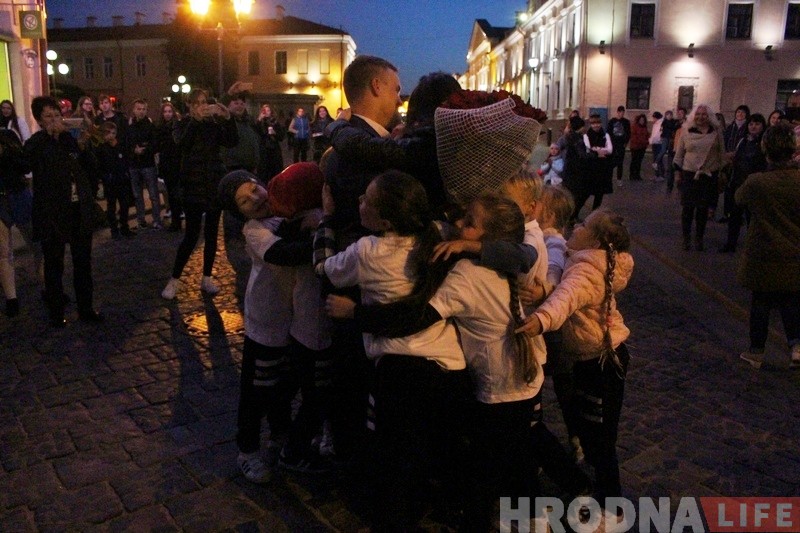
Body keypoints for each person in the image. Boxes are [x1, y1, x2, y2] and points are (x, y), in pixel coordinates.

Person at [326, 192, 546, 531]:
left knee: (485, 474)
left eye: (469, 224)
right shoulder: (499, 261)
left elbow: (416, 317)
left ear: (488, 239)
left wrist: (356, 312)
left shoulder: (467, 276)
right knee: (514, 458)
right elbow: (526, 253)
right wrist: (473, 245)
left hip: (499, 390)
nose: (458, 225)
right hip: (522, 381)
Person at [316, 170, 469, 530]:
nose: (359, 201)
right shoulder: (439, 234)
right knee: (436, 447)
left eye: (367, 199)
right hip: (449, 364)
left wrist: (325, 220)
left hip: (401, 370)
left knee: (396, 455)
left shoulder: (368, 250)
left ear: (384, 220)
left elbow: (324, 269)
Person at [517, 208, 634, 528]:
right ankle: (601, 494)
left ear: (594, 241)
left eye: (583, 225)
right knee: (590, 431)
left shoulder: (586, 272)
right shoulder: (588, 260)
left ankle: (613, 508)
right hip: (592, 360)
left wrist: (540, 319)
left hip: (602, 363)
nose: (576, 226)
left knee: (601, 440)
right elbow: (558, 256)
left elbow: (565, 298)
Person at [218, 165, 333, 483]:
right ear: (240, 214)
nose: (254, 199)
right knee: (257, 388)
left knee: (285, 383)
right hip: (266, 322)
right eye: (243, 201)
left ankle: (280, 435)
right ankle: (247, 450)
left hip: (294, 320)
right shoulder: (254, 231)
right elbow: (286, 254)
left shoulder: (292, 210)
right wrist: (324, 229)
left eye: (253, 189)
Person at [24, 96, 103, 327]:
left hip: (78, 210)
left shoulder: (70, 139)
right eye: (49, 116)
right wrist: (48, 137)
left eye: (57, 115)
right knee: (54, 264)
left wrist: (84, 147)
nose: (55, 120)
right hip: (52, 214)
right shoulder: (36, 143)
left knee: (83, 263)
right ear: (39, 120)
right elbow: (25, 163)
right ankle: (57, 312)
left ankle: (86, 308)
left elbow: (90, 167)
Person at [161, 88, 238, 300]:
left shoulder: (213, 124)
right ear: (189, 105)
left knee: (212, 235)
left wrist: (227, 118)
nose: (202, 106)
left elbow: (232, 141)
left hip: (213, 184)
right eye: (197, 103)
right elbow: (182, 145)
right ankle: (174, 280)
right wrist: (195, 121)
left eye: (205, 102)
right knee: (191, 236)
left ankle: (206, 278)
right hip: (192, 186)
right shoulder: (183, 123)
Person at [735, 122, 800, 370]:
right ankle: (796, 345)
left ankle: (756, 352)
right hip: (794, 252)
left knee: (761, 303)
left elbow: (739, 198)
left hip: (764, 251)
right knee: (792, 301)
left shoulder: (758, 182)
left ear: (766, 150)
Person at [672, 104, 726, 251]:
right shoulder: (687, 131)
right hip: (690, 175)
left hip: (708, 175)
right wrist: (677, 174)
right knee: (688, 209)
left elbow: (722, 154)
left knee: (702, 210)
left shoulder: (716, 132)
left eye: (704, 114)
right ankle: (686, 238)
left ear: (709, 116)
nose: (701, 117)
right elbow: (679, 154)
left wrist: (722, 173)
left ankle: (699, 239)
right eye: (698, 114)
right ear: (693, 116)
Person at [719, 113, 767, 253]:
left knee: (752, 217)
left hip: (754, 185)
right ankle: (731, 244)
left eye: (757, 124)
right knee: (734, 216)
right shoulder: (743, 141)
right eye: (751, 124)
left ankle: (754, 246)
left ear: (763, 126)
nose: (753, 126)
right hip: (738, 183)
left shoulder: (764, 143)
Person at [0, 129, 29, 316]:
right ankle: (12, 299)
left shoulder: (8, 136)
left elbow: (25, 166)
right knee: (3, 252)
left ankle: (47, 288)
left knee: (37, 243)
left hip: (19, 195)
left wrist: (7, 153)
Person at [96, 122, 135, 239]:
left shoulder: (120, 146)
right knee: (111, 206)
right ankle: (114, 229)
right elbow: (100, 165)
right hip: (110, 181)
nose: (111, 136)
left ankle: (124, 227)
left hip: (122, 179)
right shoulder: (101, 148)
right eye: (108, 133)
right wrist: (105, 177)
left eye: (113, 133)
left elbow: (125, 159)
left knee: (124, 205)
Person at [127, 99, 162, 229]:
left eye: (143, 109)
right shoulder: (129, 126)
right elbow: (126, 143)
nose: (141, 111)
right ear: (134, 110)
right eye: (139, 109)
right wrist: (133, 150)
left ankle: (157, 220)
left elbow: (155, 144)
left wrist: (145, 150)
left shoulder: (150, 126)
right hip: (134, 165)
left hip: (148, 164)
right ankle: (141, 220)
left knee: (153, 194)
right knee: (137, 195)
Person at [155, 102, 183, 232]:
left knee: (176, 193)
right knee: (171, 194)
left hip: (177, 163)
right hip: (166, 164)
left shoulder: (177, 127)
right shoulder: (160, 128)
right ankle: (175, 219)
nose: (167, 114)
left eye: (169, 111)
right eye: (165, 112)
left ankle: (177, 219)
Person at [579, 113, 613, 214]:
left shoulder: (605, 135)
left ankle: (594, 215)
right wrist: (601, 150)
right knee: (586, 193)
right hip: (591, 168)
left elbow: (610, 149)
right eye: (593, 123)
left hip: (602, 168)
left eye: (598, 123)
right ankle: (575, 214)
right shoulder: (586, 135)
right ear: (590, 124)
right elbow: (588, 149)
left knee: (599, 194)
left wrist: (597, 149)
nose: (596, 125)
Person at [255, 103, 284, 183]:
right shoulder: (260, 122)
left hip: (274, 150)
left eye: (268, 110)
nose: (266, 112)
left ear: (271, 112)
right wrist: (259, 120)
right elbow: (256, 131)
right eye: (264, 110)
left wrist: (274, 133)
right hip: (264, 150)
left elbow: (281, 137)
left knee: (275, 171)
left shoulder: (275, 122)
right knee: (264, 172)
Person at [606, 106, 631, 187]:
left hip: (621, 144)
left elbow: (628, 132)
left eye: (623, 112)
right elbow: (608, 132)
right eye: (620, 112)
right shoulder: (612, 121)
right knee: (611, 160)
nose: (621, 114)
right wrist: (608, 142)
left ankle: (619, 178)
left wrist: (626, 142)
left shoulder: (626, 122)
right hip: (613, 143)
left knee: (620, 161)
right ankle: (608, 177)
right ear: (617, 112)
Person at [628, 114, 649, 181]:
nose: (642, 121)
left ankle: (637, 175)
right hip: (635, 147)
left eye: (643, 120)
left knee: (639, 162)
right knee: (634, 161)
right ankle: (631, 175)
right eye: (641, 120)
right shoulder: (634, 127)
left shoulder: (645, 127)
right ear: (638, 120)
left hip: (642, 147)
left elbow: (647, 135)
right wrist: (644, 141)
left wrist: (647, 141)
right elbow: (634, 137)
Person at [649, 111, 664, 181]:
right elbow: (653, 133)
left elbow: (659, 134)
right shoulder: (655, 124)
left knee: (659, 160)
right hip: (654, 143)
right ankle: (656, 174)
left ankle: (661, 175)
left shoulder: (661, 124)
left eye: (654, 117)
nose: (653, 119)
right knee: (655, 159)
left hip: (659, 143)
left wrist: (653, 140)